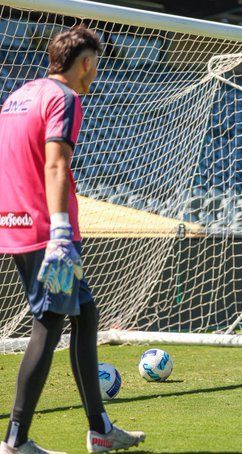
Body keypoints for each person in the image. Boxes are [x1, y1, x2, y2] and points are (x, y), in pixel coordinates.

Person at [0, 26, 145, 453]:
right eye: (95, 65)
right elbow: (56, 165)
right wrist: (61, 230)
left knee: (85, 313)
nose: (95, 74)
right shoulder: (64, 98)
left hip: (16, 221)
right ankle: (15, 440)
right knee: (48, 323)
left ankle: (99, 428)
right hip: (49, 233)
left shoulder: (19, 95)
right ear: (84, 63)